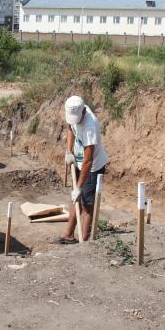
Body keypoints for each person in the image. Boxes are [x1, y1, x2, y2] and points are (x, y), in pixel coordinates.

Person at [50, 96, 108, 244]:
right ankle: (68, 235)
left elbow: (89, 161)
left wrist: (80, 187)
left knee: (87, 204)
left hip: (92, 167)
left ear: (83, 112)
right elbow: (70, 128)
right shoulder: (73, 111)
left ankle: (84, 240)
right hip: (79, 161)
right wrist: (69, 152)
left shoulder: (90, 127)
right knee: (75, 198)